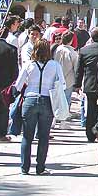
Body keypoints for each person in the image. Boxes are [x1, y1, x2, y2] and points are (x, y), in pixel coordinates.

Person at [15, 39, 65, 175]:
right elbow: (62, 84)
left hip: (30, 99)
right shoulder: (55, 65)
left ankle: (24, 167)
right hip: (47, 100)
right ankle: (40, 167)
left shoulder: (29, 65)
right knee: (44, 136)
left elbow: (18, 85)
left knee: (27, 136)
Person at [74, 27, 98, 143]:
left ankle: (90, 134)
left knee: (91, 110)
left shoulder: (83, 50)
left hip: (89, 84)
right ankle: (97, 128)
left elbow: (79, 70)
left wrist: (77, 85)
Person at [54, 31, 79, 112]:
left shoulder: (57, 49)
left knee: (57, 98)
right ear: (71, 40)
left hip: (57, 77)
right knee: (66, 99)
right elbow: (76, 68)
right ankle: (64, 115)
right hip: (68, 79)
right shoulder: (73, 53)